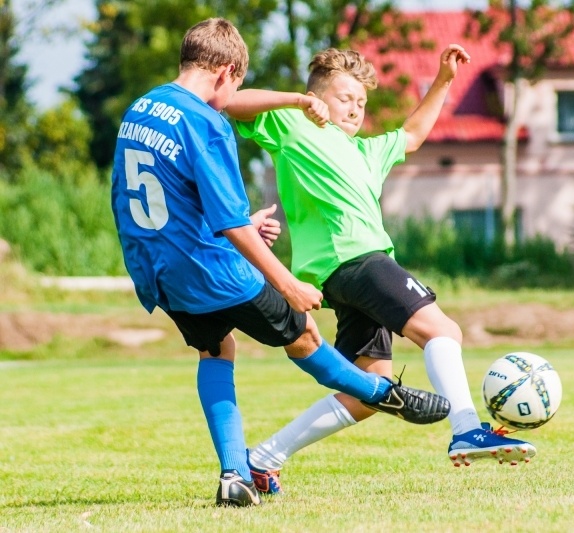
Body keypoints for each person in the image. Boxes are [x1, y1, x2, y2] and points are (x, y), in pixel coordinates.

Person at [109, 18, 450, 508]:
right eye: (239, 84)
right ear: (226, 72)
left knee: (217, 349)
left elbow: (147, 196)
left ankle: (235, 474)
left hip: (158, 268)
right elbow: (230, 224)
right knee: (304, 336)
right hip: (214, 269)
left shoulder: (140, 109)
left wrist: (233, 226)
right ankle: (380, 394)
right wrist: (286, 281)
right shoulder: (205, 121)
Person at [227, 44, 536, 493]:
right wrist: (295, 100)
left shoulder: (368, 152)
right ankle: (466, 429)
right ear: (317, 96)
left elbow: (411, 135)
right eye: (344, 97)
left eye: (361, 103)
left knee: (370, 388)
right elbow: (230, 100)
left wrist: (444, 80)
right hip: (357, 261)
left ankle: (264, 458)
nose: (354, 108)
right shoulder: (292, 123)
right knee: (443, 330)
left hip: (346, 276)